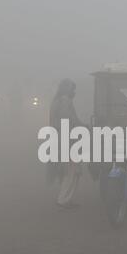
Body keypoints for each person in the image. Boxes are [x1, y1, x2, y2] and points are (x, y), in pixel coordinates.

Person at [48, 79, 83, 210]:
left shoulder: (57, 100)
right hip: (67, 140)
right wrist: (83, 126)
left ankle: (66, 198)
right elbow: (69, 119)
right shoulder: (64, 101)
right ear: (66, 89)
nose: (73, 92)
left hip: (60, 139)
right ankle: (63, 200)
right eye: (72, 89)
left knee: (66, 171)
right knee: (72, 171)